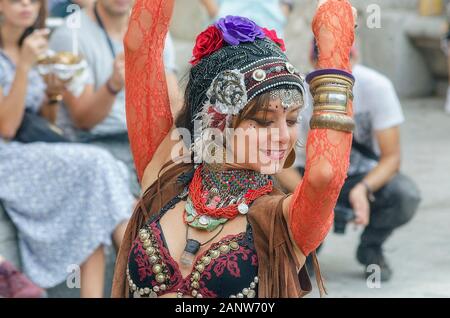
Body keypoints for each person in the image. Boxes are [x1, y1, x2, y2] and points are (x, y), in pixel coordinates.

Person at [111, 0, 358, 298]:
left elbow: (325, 175)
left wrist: (334, 34)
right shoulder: (167, 175)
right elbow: (140, 47)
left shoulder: (281, 220)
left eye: (291, 120)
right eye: (265, 122)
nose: (283, 136)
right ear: (218, 121)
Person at [0, 0, 134, 297]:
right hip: (8, 155)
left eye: (33, 0)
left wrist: (53, 95)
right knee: (98, 164)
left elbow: (44, 121)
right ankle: (145, 265)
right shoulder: (23, 55)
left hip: (34, 147)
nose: (26, 5)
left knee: (94, 188)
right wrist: (23, 66)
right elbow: (7, 127)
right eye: (16, 0)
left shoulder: (35, 49)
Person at [278, 41, 421, 282]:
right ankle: (306, 247)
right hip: (311, 176)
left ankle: (371, 246)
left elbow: (392, 157)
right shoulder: (297, 93)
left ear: (356, 58)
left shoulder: (377, 87)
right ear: (313, 63)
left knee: (404, 195)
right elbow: (280, 163)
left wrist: (363, 189)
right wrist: (308, 196)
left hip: (361, 175)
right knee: (274, 193)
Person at [49, 0, 182, 197]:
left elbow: (173, 102)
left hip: (148, 139)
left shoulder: (152, 26)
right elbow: (83, 120)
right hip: (99, 141)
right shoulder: (70, 34)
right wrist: (113, 84)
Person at [200, 0, 294, 37]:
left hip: (269, 20)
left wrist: (285, 9)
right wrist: (215, 12)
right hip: (227, 21)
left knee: (270, 71)